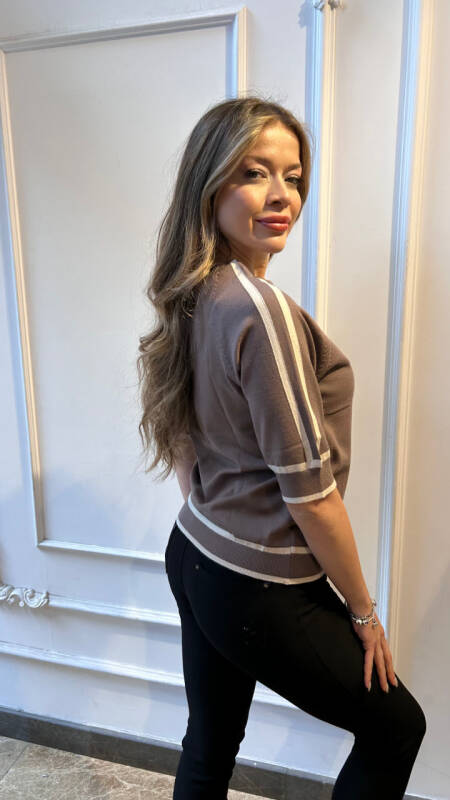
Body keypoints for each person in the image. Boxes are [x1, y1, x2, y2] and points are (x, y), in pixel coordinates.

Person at [137, 96, 426, 799]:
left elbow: (185, 437)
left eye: (293, 177)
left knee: (209, 744)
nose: (281, 196)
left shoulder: (197, 289)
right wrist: (364, 614)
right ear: (210, 184)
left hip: (195, 551)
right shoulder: (259, 312)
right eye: (254, 172)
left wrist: (217, 518)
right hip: (258, 587)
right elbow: (312, 495)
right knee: (397, 727)